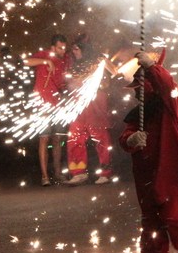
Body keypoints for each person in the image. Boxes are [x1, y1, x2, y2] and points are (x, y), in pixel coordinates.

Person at [119, 51, 178, 253]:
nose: (136, 91)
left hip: (171, 174)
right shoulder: (138, 114)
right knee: (150, 224)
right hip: (146, 175)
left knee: (174, 217)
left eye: (140, 85)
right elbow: (125, 135)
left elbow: (168, 88)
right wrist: (130, 140)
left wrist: (154, 67)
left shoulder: (171, 107)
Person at [65, 40, 118, 185]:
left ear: (84, 49)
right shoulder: (74, 65)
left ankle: (106, 173)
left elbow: (114, 72)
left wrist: (104, 60)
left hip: (95, 105)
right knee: (74, 138)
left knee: (100, 138)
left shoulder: (97, 61)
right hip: (78, 106)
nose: (74, 52)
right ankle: (78, 172)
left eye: (76, 49)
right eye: (73, 49)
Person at [23, 34, 70, 186]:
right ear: (52, 47)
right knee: (44, 139)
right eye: (60, 48)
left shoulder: (65, 61)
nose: (63, 51)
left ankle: (57, 174)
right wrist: (46, 61)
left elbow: (63, 83)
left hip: (58, 105)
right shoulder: (44, 54)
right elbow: (26, 61)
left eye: (64, 48)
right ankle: (44, 177)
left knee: (57, 139)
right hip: (41, 104)